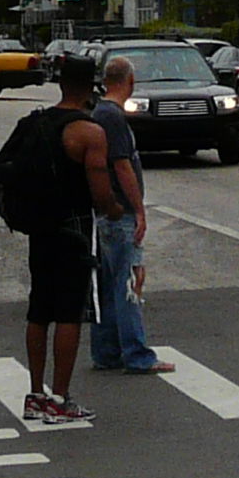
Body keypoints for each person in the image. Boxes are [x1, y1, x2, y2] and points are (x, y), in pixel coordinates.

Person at [20, 54, 121, 428]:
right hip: (74, 231)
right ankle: (60, 399)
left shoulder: (38, 123)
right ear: (90, 88)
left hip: (39, 228)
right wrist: (114, 210)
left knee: (39, 310)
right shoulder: (88, 132)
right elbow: (100, 193)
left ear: (61, 84)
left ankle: (35, 394)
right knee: (69, 313)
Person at [88, 56, 170, 376]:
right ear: (130, 82)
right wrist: (139, 210)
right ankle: (137, 353)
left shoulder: (100, 113)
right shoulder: (113, 117)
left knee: (109, 286)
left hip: (105, 212)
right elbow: (122, 166)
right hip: (119, 213)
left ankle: (107, 351)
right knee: (129, 284)